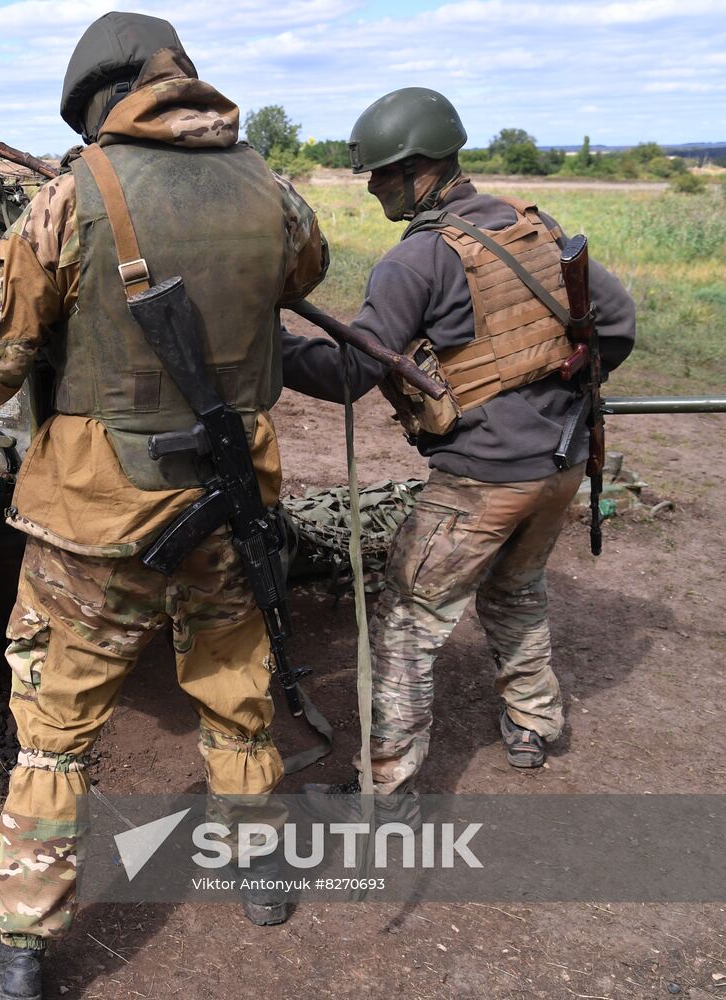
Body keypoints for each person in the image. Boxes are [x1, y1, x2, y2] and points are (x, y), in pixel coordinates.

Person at [0, 12, 328, 999]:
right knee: (237, 695)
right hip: (231, 502)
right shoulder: (274, 191)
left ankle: (24, 944)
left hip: (97, 520)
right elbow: (306, 274)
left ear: (94, 104)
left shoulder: (74, 196)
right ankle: (264, 876)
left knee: (57, 725)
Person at [283, 88, 636, 798]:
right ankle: (535, 724)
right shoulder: (530, 224)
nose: (375, 186)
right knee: (516, 589)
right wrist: (550, 395)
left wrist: (273, 351)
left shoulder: (414, 260)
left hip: (482, 482)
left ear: (422, 169)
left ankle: (386, 791)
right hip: (564, 461)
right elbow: (618, 323)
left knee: (405, 623)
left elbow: (353, 371)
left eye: (383, 173)